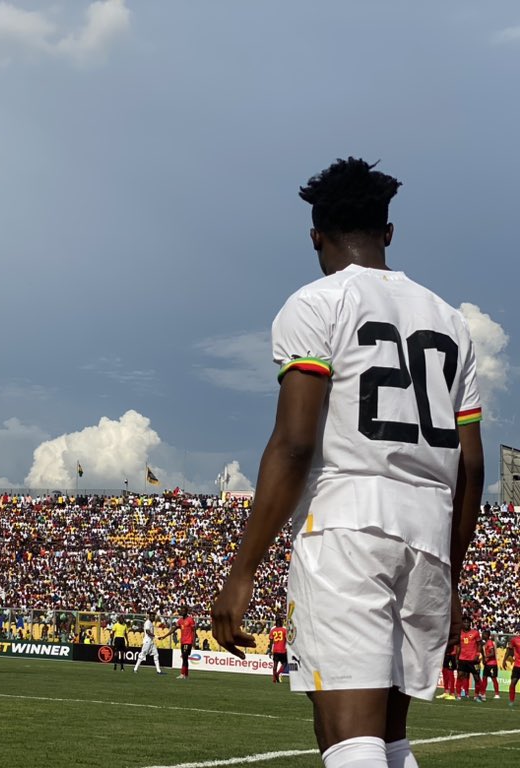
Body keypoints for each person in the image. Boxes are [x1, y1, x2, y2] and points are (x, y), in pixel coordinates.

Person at [211, 158, 485, 768]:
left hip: (349, 523)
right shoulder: (452, 321)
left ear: (316, 235)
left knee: (349, 739)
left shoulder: (316, 304)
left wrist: (243, 568)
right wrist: (453, 571)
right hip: (429, 532)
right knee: (389, 740)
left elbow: (294, 443)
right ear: (389, 232)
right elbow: (470, 467)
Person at [456, 618, 482, 701]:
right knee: (460, 676)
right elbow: (459, 646)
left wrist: (477, 655)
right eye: (464, 622)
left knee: (477, 678)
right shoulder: (459, 633)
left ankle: (476, 696)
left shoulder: (475, 633)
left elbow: (479, 644)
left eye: (468, 622)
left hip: (473, 660)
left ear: (470, 623)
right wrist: (457, 658)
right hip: (462, 659)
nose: (466, 624)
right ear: (462, 623)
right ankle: (459, 695)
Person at [269, 616, 289, 684]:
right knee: (284, 663)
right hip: (283, 650)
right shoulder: (284, 630)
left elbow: (271, 642)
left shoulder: (273, 630)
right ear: (281, 623)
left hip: (275, 650)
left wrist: (270, 650)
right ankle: (277, 674)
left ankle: (274, 679)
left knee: (275, 665)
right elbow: (287, 639)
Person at [480, 630, 499, 700]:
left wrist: (486, 657)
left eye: (483, 634)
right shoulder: (485, 643)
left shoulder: (490, 642)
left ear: (487, 635)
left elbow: (492, 653)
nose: (482, 635)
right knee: (484, 678)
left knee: (494, 679)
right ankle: (483, 693)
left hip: (492, 664)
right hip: (487, 664)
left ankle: (497, 694)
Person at [505, 630, 520, 708]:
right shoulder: (515, 640)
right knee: (513, 683)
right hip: (517, 666)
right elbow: (509, 650)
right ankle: (511, 700)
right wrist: (504, 660)